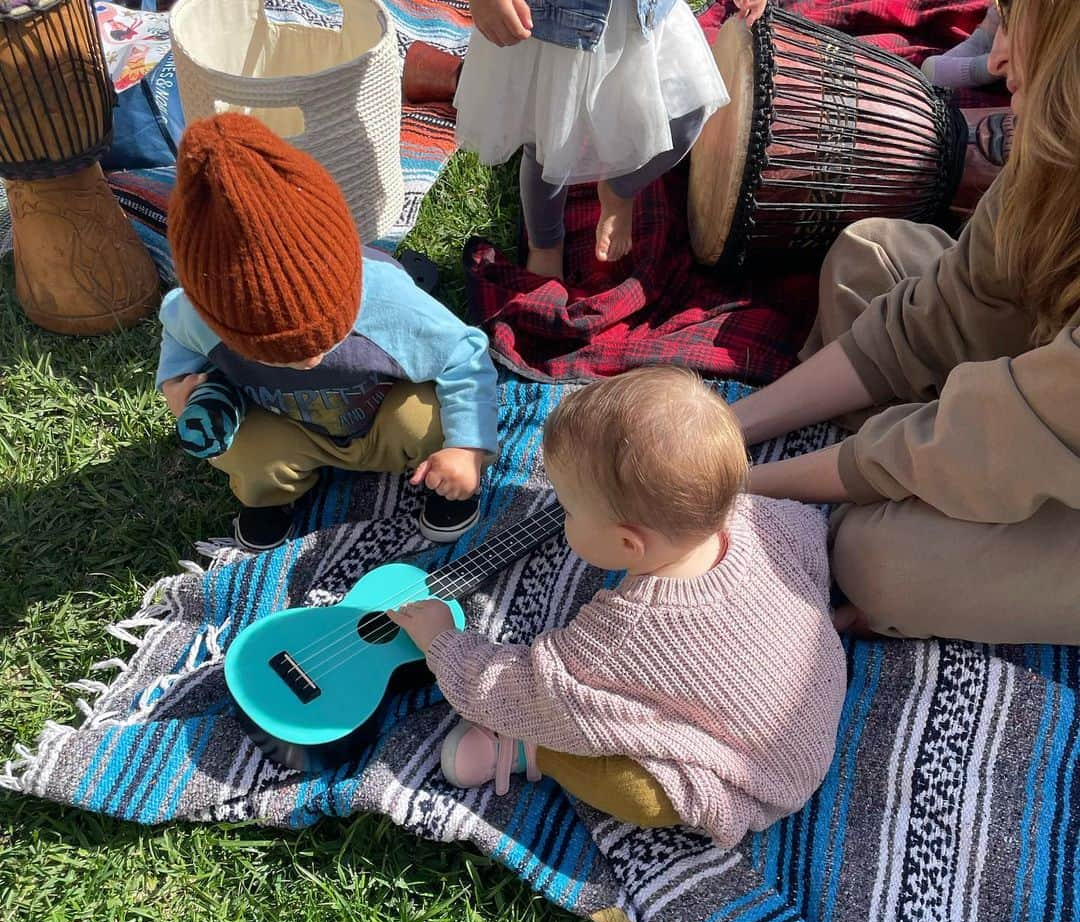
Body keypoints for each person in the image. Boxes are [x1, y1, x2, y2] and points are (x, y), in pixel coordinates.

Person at [730, 0, 1080, 644]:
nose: (996, 60)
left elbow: (995, 434)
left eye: (1020, 26)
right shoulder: (1057, 153)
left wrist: (738, 484)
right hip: (1041, 407)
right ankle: (933, 471)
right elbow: (939, 314)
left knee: (878, 559)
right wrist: (728, 428)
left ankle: (941, 496)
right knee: (869, 258)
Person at [389, 368, 846, 847]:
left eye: (568, 510)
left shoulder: (625, 632)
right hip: (813, 710)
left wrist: (442, 643)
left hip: (747, 779)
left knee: (637, 792)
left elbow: (527, 690)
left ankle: (532, 750)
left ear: (629, 544)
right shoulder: (767, 517)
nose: (560, 516)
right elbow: (812, 546)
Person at [155, 114, 500, 552]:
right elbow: (178, 348)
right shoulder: (192, 315)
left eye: (324, 339)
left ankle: (446, 481)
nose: (307, 361)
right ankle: (272, 497)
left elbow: (464, 354)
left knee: (427, 420)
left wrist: (467, 449)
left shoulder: (387, 300)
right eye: (278, 354)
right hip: (291, 429)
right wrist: (177, 390)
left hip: (382, 419)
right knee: (243, 451)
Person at [454, 0, 765, 279]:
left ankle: (619, 190)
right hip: (559, 24)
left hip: (648, 15)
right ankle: (546, 243)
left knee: (690, 114)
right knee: (550, 142)